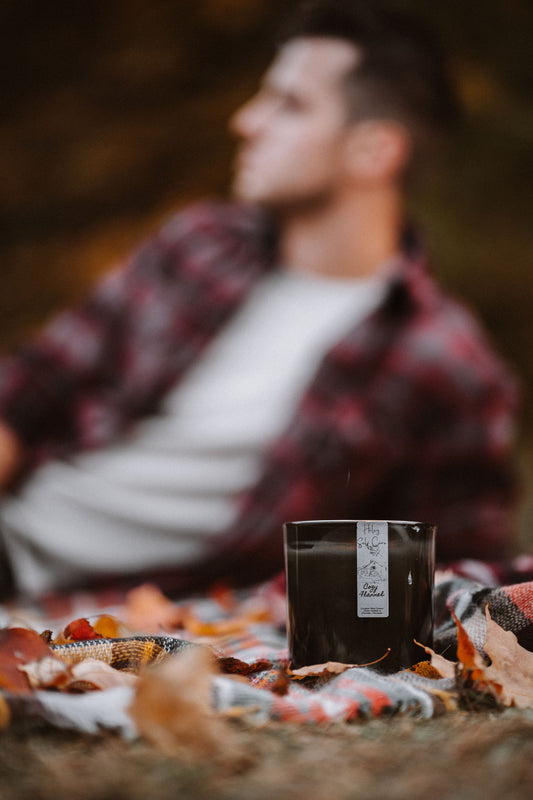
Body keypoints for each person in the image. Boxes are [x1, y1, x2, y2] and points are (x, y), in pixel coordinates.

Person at [0, 0, 519, 599]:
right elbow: (34, 383)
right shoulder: (199, 245)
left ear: (374, 150)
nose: (246, 122)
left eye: (289, 104)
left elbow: (452, 573)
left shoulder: (444, 363)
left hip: (140, 611)